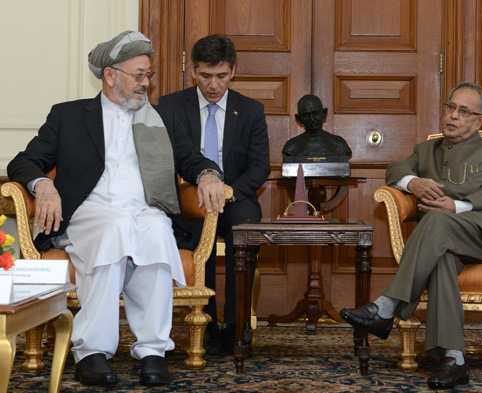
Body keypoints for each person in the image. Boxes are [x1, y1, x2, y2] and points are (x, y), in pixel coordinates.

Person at [7, 31, 226, 387]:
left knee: (156, 231)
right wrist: (43, 184)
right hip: (90, 213)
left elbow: (191, 159)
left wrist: (207, 174)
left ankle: (153, 350)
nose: (146, 83)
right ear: (111, 75)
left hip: (145, 211)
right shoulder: (69, 116)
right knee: (112, 230)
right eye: (138, 75)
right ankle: (91, 349)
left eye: (148, 75)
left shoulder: (162, 119)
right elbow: (25, 161)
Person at [339, 82, 482, 389]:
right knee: (442, 260)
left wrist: (458, 205)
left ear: (480, 121)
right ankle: (453, 358)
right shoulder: (427, 150)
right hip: (440, 241)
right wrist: (413, 184)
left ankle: (386, 307)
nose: (453, 116)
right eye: (450, 107)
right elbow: (395, 169)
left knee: (437, 219)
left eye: (464, 111)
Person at [158, 34, 270, 355]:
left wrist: (229, 192)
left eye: (221, 76)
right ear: (193, 71)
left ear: (233, 72)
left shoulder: (250, 111)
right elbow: (165, 162)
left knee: (244, 233)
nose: (213, 85)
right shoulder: (170, 106)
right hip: (190, 199)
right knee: (193, 233)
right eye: (205, 76)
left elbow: (260, 167)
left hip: (236, 198)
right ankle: (203, 321)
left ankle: (236, 326)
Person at [282, 94, 351, 157]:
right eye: (306, 115)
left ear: (324, 114)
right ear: (299, 119)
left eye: (316, 114)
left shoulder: (339, 144)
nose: (312, 119)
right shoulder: (292, 146)